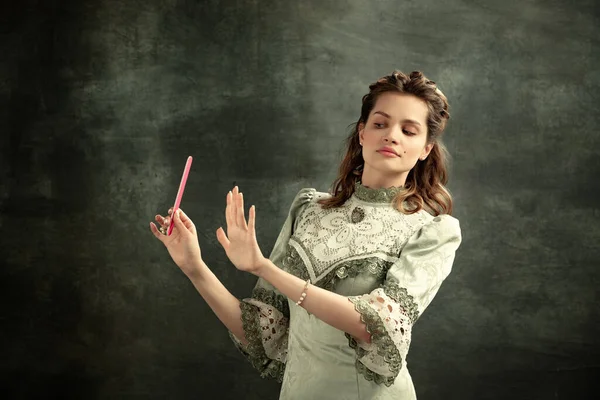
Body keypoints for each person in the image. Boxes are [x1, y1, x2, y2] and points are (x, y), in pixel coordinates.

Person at [149, 70, 462, 400]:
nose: (391, 136)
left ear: (426, 149)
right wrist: (194, 268)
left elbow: (375, 325)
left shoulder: (432, 231)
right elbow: (262, 335)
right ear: (362, 134)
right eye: (380, 124)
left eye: (408, 130)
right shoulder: (309, 209)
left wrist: (263, 268)